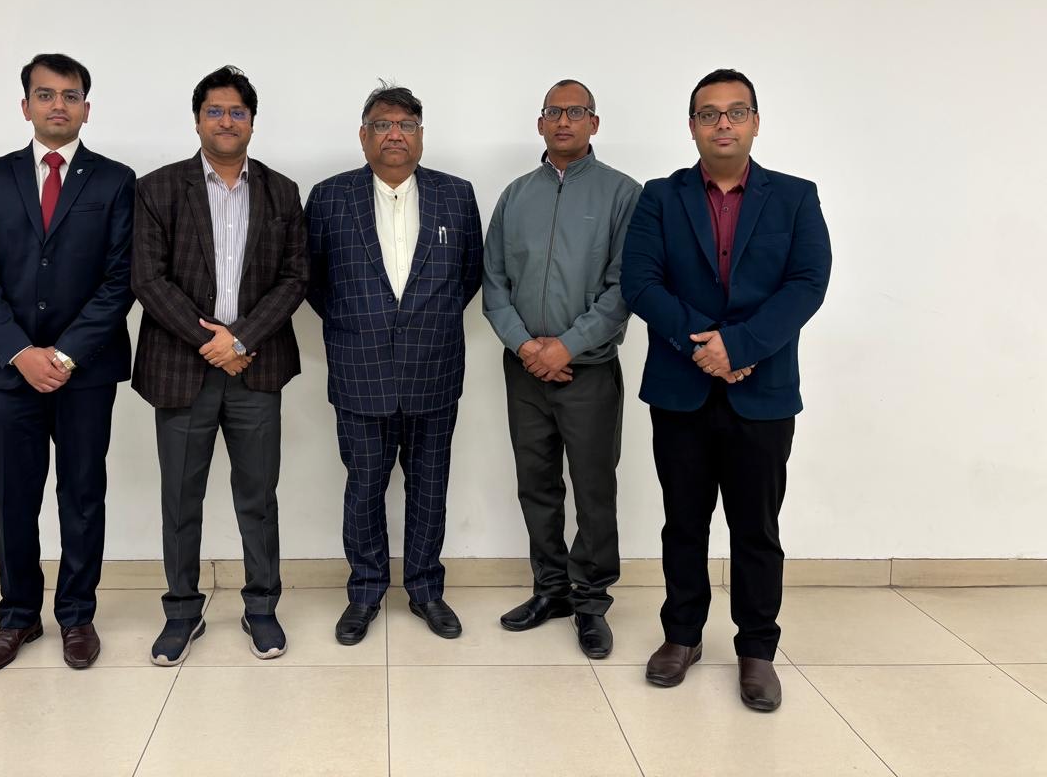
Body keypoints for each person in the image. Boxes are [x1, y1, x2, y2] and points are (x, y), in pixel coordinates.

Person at [621, 68, 832, 711]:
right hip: (680, 390)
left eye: (735, 112)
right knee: (683, 522)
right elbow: (641, 282)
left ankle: (757, 650)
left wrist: (738, 348)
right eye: (708, 113)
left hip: (762, 391)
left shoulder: (795, 197)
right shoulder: (661, 197)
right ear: (691, 126)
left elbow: (807, 283)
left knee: (756, 528)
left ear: (755, 123)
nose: (722, 124)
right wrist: (706, 348)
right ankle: (681, 636)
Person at [0, 53, 135, 674]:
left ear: (86, 108)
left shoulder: (115, 181)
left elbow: (120, 280)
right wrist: (21, 352)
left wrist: (62, 355)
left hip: (86, 371)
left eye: (70, 95)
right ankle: (17, 617)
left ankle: (77, 615)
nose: (58, 105)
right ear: (26, 105)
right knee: (15, 497)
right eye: (45, 94)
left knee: (82, 494)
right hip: (9, 370)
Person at [131, 65, 307, 664]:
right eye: (215, 111)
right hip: (181, 372)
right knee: (181, 499)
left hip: (257, 368)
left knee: (258, 496)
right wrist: (212, 342)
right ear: (197, 120)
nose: (226, 121)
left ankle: (262, 607)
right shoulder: (158, 189)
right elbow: (147, 278)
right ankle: (182, 612)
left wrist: (241, 339)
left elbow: (295, 278)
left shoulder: (283, 192)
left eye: (237, 112)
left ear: (252, 122)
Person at [306, 83, 483, 644]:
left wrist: (421, 323)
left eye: (406, 125)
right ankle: (365, 591)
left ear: (421, 136)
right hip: (360, 370)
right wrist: (361, 324)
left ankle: (426, 589)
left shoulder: (457, 195)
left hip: (435, 367)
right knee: (363, 489)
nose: (395, 135)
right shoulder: (329, 197)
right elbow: (313, 281)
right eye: (382, 125)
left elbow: (468, 275)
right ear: (364, 136)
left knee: (430, 488)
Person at [482, 79, 641, 659]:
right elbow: (493, 282)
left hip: (588, 371)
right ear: (540, 122)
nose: (564, 121)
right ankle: (550, 589)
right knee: (537, 484)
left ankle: (591, 601)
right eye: (554, 111)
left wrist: (566, 347)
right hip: (524, 371)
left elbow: (625, 286)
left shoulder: (623, 194)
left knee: (594, 487)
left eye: (576, 112)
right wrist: (527, 347)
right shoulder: (515, 196)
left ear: (594, 123)